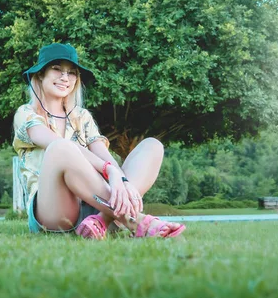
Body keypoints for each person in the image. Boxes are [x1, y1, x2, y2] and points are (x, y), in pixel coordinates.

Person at [12, 42, 187, 239]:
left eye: (72, 73)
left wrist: (121, 179)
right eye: (56, 69)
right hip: (53, 212)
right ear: (40, 75)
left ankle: (101, 220)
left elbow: (102, 153)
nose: (65, 77)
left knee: (152, 146)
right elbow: (57, 144)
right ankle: (136, 220)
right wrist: (109, 170)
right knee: (60, 148)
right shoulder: (26, 114)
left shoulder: (82, 117)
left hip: (93, 204)